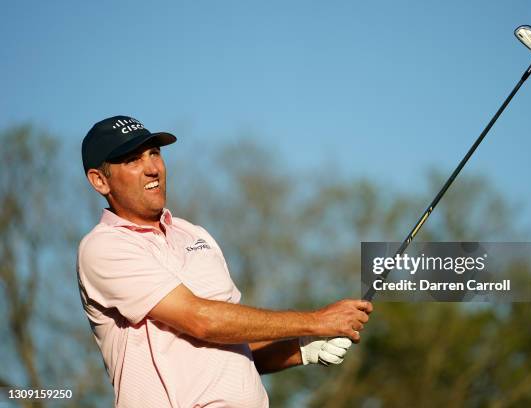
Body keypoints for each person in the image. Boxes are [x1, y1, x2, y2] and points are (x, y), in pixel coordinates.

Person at [77, 115, 372, 408]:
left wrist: (301, 348)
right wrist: (316, 321)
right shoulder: (104, 246)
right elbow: (201, 319)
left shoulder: (193, 234)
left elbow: (236, 338)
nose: (152, 168)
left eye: (154, 153)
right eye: (132, 160)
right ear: (100, 180)